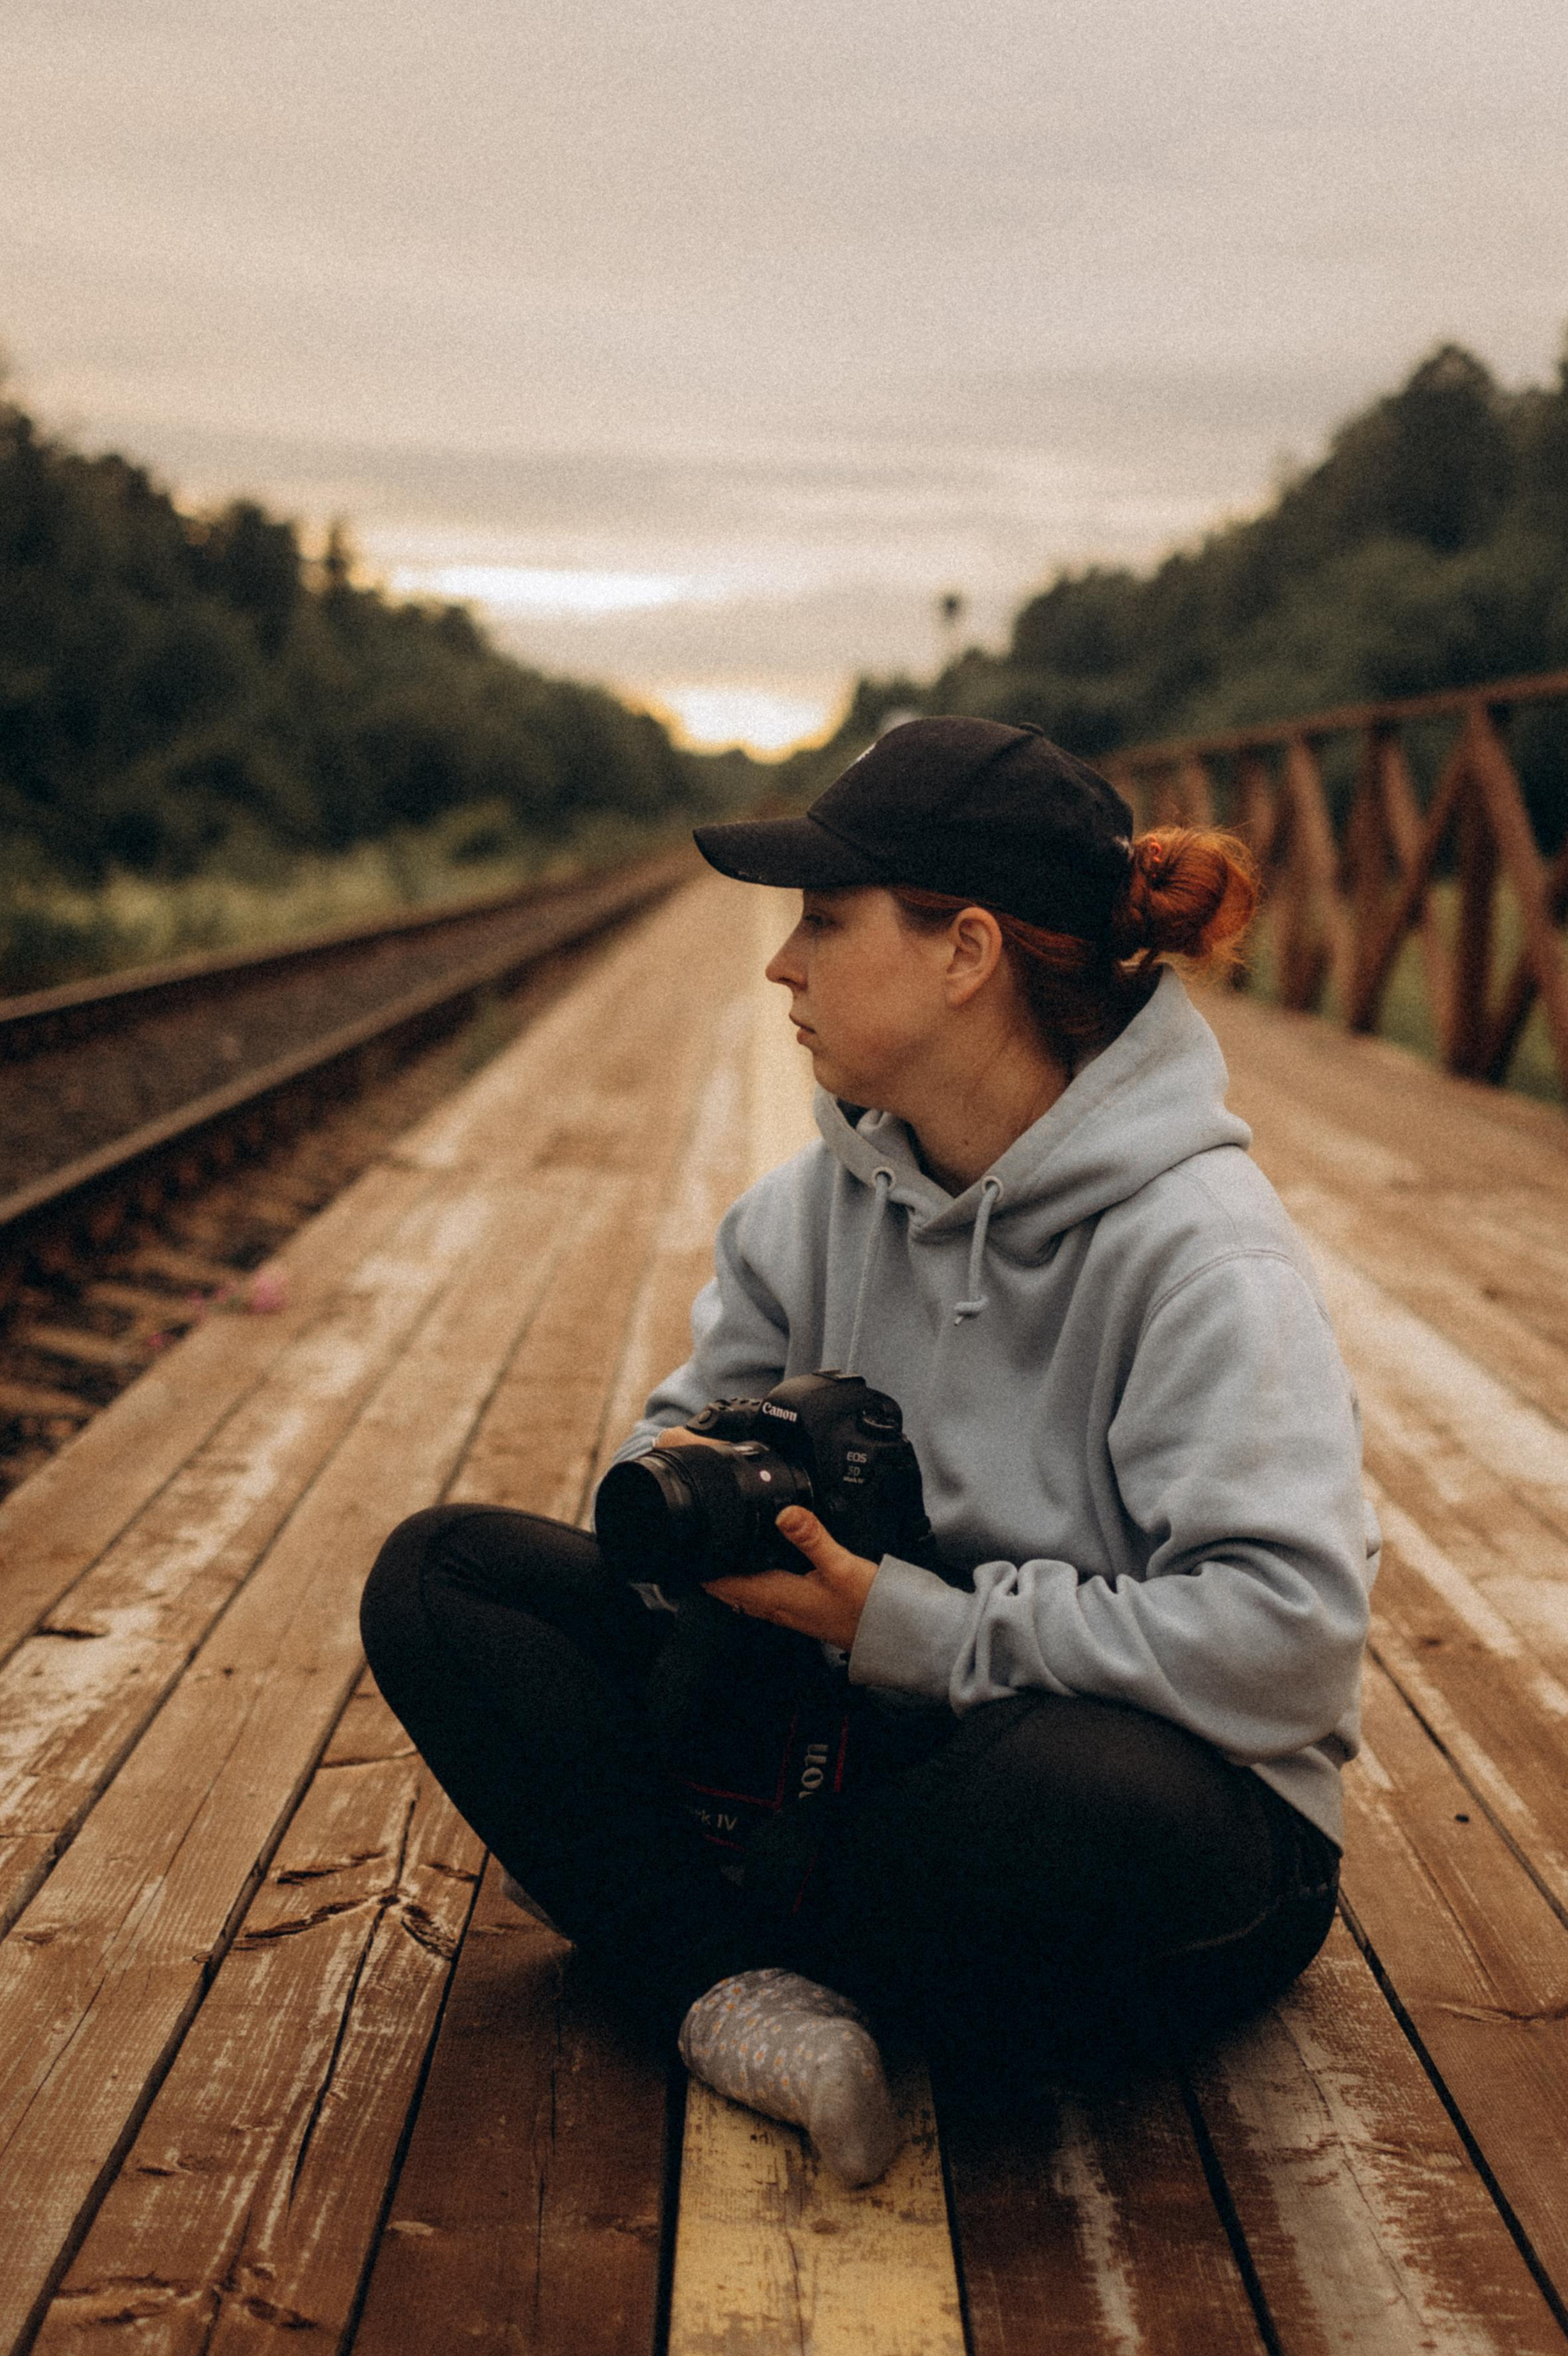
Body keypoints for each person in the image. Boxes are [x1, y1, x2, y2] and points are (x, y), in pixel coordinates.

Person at [359, 717, 1377, 2185]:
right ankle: (742, 1987)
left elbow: (1287, 1643)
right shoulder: (813, 1203)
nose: (780, 964)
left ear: (964, 953)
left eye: (822, 922)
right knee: (442, 1577)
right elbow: (675, 1436)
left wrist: (909, 1624)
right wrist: (704, 1518)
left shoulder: (1200, 1258)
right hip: (840, 1733)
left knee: (1056, 1807)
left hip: (1135, 1802)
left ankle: (672, 1909)